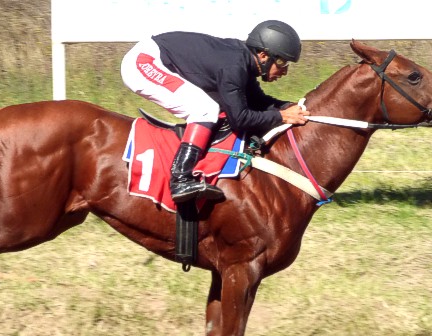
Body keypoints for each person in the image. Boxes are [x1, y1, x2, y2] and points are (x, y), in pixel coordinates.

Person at [120, 20, 310, 203]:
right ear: (263, 55)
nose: (285, 71)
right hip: (144, 61)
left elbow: (257, 100)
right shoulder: (234, 67)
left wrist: (287, 106)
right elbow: (239, 119)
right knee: (205, 109)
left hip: (157, 56)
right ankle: (180, 179)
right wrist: (281, 116)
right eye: (282, 62)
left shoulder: (243, 63)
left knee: (209, 107)